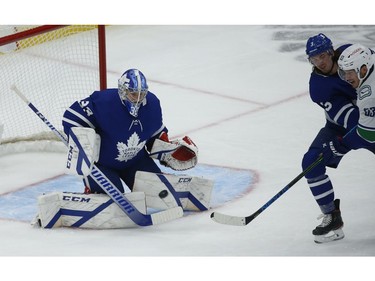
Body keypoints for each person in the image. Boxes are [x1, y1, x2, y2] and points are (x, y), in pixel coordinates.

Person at [302, 33, 359, 243]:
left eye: (322, 56)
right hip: (345, 125)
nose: (319, 62)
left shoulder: (352, 54)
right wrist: (339, 145)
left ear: (331, 52)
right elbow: (353, 122)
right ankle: (332, 217)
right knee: (311, 162)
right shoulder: (318, 86)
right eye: (313, 59)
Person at [323, 44, 375, 164]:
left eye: (350, 72)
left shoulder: (367, 97)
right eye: (344, 72)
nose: (347, 77)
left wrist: (342, 144)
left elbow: (369, 135)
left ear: (363, 69)